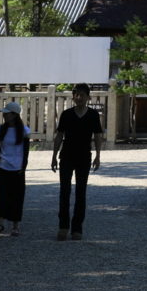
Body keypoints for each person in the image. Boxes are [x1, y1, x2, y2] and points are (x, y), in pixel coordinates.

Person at [51, 83, 103, 241]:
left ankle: (77, 228)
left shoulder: (93, 115)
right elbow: (59, 136)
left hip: (84, 156)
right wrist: (54, 156)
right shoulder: (66, 114)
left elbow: (98, 135)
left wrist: (98, 155)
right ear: (73, 97)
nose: (79, 97)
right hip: (66, 155)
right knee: (64, 191)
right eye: (76, 95)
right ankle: (63, 226)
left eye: (82, 95)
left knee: (81, 192)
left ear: (88, 97)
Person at [0, 101, 29, 237]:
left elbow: (26, 152)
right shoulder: (1, 129)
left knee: (17, 197)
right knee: (0, 197)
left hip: (18, 168)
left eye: (7, 113)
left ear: (14, 115)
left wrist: (24, 167)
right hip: (2, 166)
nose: (4, 116)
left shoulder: (24, 131)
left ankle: (15, 226)